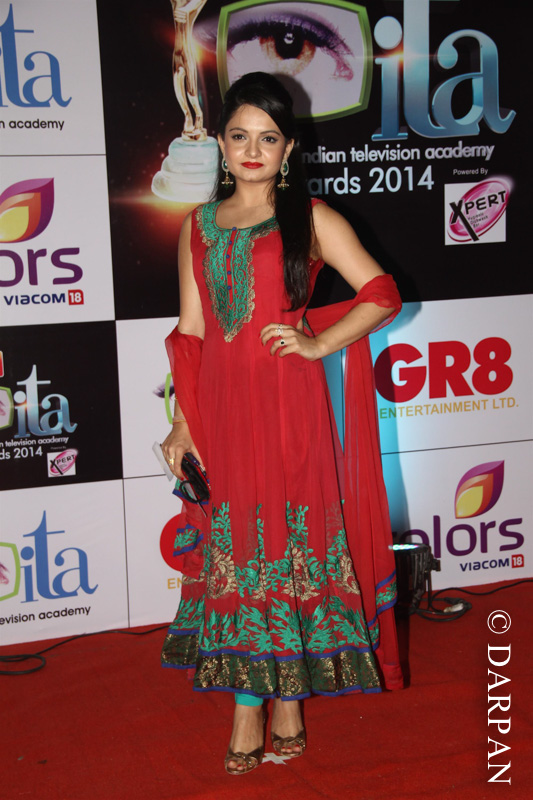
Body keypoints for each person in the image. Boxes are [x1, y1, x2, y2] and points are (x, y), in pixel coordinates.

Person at [161, 71, 403, 776]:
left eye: (267, 138)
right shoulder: (197, 226)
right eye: (239, 136)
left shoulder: (311, 218)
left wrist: (320, 345)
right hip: (220, 407)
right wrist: (181, 423)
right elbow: (191, 331)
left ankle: (272, 703)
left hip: (288, 405)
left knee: (288, 544)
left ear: (288, 148)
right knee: (239, 542)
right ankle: (264, 701)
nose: (252, 149)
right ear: (221, 145)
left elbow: (381, 293)